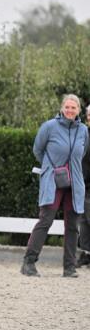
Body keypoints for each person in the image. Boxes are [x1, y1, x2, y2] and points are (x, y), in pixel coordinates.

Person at [22, 94, 89, 278]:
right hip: (52, 180)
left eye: (73, 108)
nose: (70, 110)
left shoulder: (83, 130)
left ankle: (69, 267)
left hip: (75, 182)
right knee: (46, 220)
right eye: (67, 107)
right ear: (62, 108)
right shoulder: (49, 127)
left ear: (78, 110)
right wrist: (49, 167)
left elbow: (82, 153)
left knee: (72, 225)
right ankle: (29, 262)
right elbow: (38, 150)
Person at [78, 104, 90, 267]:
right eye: (88, 115)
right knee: (84, 221)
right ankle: (86, 253)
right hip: (82, 183)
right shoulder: (84, 133)